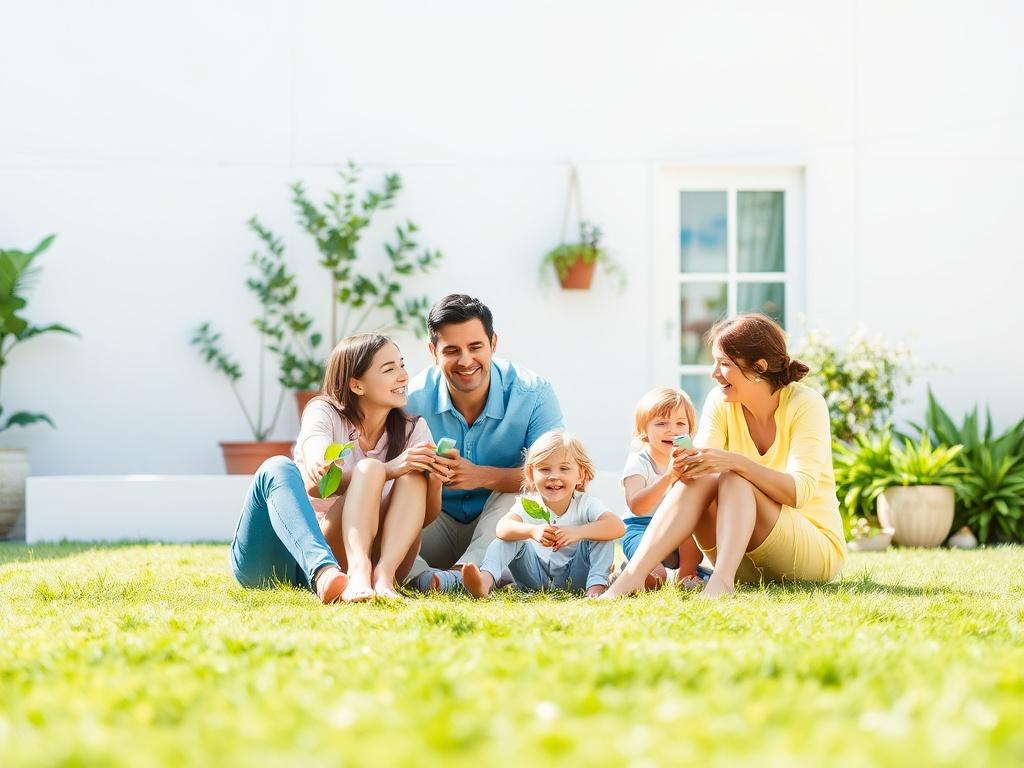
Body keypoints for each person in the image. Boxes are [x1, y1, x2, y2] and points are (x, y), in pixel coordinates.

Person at [601, 313, 846, 600]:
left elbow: (799, 492)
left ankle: (722, 582)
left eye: (724, 364)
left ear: (758, 367)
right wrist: (685, 463)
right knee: (703, 476)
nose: (714, 373)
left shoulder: (805, 403)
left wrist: (735, 462)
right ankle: (632, 576)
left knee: (734, 477)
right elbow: (701, 468)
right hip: (740, 556)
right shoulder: (721, 401)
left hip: (810, 553)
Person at [229, 334, 444, 603]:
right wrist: (385, 469)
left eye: (401, 365)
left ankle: (382, 579)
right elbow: (315, 483)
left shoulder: (414, 429)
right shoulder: (324, 412)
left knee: (412, 476)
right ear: (356, 385)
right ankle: (328, 573)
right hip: (281, 557)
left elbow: (425, 516)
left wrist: (434, 480)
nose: (403, 376)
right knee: (278, 467)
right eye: (389, 369)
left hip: (346, 551)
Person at [405, 294, 564, 592]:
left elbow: (558, 476)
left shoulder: (534, 393)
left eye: (475, 347)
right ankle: (431, 579)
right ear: (433, 351)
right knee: (387, 523)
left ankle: (466, 574)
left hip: (501, 528)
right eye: (452, 350)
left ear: (493, 343)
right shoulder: (411, 400)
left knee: (523, 494)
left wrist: (481, 476)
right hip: (434, 520)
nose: (466, 361)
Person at [462, 430, 624, 599]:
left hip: (576, 576)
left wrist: (579, 532)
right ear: (531, 475)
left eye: (564, 468)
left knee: (602, 535)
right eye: (545, 469)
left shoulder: (586, 504)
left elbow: (617, 526)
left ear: (580, 475)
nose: (554, 476)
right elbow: (502, 528)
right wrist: (532, 531)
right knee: (508, 540)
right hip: (534, 576)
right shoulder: (529, 504)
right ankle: (484, 582)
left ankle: (596, 588)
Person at [620, 387, 704, 589]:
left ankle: (687, 575)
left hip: (675, 530)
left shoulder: (688, 459)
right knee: (657, 578)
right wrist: (668, 477)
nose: (672, 430)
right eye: (661, 423)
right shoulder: (638, 463)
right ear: (643, 432)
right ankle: (629, 573)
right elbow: (637, 506)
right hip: (640, 528)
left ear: (690, 430)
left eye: (680, 423)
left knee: (689, 529)